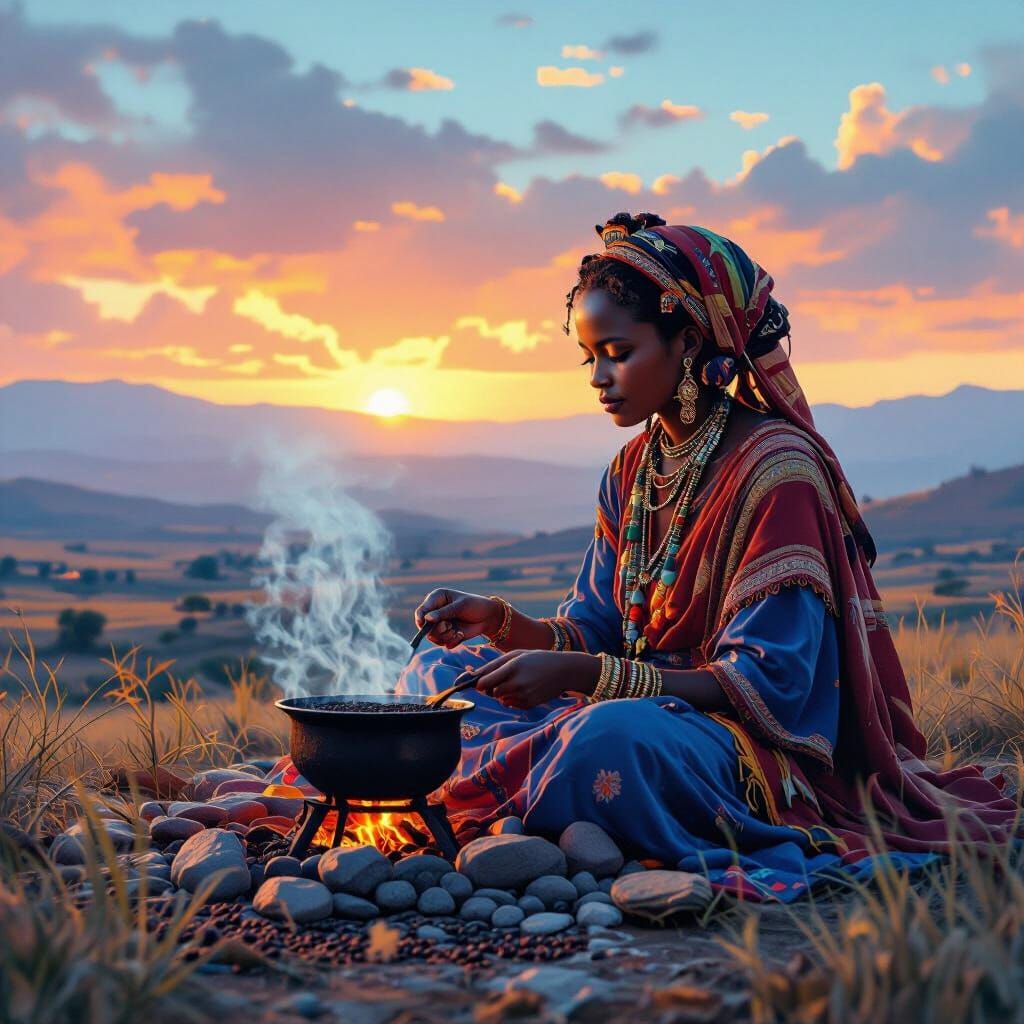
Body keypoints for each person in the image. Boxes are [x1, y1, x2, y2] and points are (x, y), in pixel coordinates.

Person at [394, 213, 1018, 901]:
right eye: (589, 357)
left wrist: (583, 675)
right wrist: (499, 622)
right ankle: (549, 802)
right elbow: (596, 629)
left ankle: (525, 801)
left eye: (618, 352)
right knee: (438, 673)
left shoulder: (778, 472)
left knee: (608, 741)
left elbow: (767, 687)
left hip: (736, 742)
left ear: (688, 340)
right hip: (619, 702)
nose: (598, 377)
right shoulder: (632, 468)